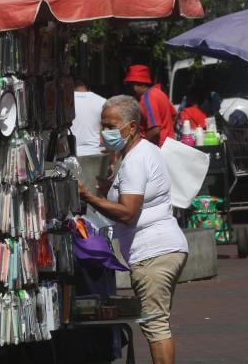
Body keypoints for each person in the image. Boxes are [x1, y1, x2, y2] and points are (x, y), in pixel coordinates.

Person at [78, 95, 188, 364]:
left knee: (155, 325)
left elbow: (128, 213)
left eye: (111, 126)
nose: (105, 132)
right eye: (103, 125)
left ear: (133, 128)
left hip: (152, 252)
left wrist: (90, 198)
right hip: (164, 247)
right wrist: (109, 191)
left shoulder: (136, 159)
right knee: (157, 321)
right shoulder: (141, 152)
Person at [124, 64, 176, 147]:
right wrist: (167, 132)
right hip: (169, 145)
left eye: (132, 84)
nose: (130, 88)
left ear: (143, 85)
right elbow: (174, 116)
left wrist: (140, 147)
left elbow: (155, 130)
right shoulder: (159, 93)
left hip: (159, 148)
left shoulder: (147, 99)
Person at [71, 77, 107, 156]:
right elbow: (107, 129)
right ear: (89, 88)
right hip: (96, 152)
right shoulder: (103, 101)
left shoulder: (65, 100)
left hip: (71, 153)